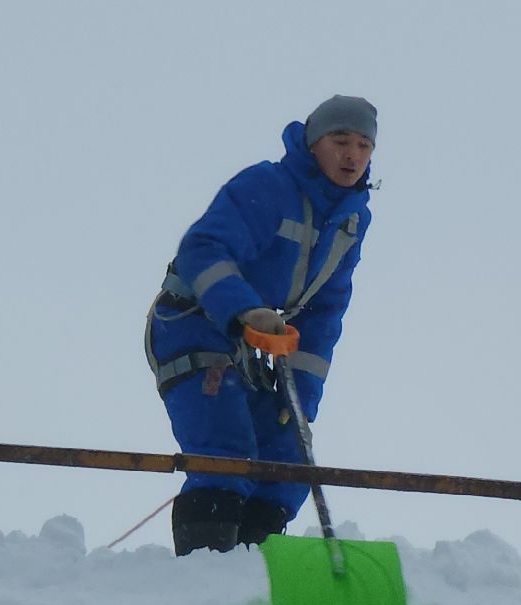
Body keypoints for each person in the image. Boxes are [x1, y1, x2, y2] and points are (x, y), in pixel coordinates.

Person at [145, 95, 378, 555]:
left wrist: (303, 402)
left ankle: (259, 574)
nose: (352, 155)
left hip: (253, 343)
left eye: (363, 145)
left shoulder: (352, 220)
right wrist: (244, 309)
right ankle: (208, 575)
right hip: (193, 322)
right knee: (225, 449)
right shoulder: (268, 186)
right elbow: (202, 250)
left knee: (288, 455)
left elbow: (325, 313)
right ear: (314, 144)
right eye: (340, 140)